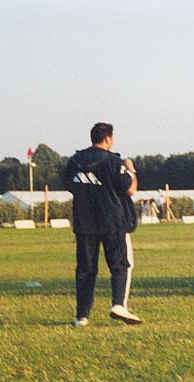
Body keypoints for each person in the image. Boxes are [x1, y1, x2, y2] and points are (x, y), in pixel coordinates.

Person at [63, 122, 142, 326]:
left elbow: (69, 185)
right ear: (108, 138)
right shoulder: (114, 161)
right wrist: (132, 171)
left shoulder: (75, 160)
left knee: (85, 269)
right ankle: (118, 304)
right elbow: (129, 190)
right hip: (112, 221)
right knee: (119, 265)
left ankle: (82, 316)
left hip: (84, 222)